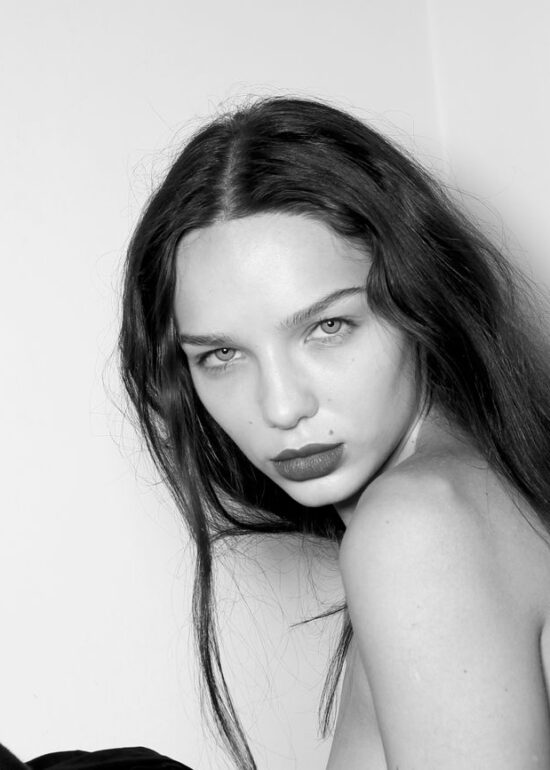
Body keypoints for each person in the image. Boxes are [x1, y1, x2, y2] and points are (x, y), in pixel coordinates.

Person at [116, 94, 550, 770]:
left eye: (328, 327)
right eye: (222, 354)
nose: (282, 406)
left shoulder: (418, 527)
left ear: (420, 302)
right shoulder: (471, 495)